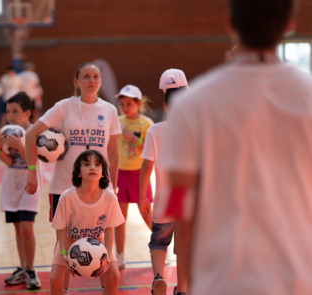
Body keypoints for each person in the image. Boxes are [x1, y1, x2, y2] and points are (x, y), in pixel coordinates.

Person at [163, 0, 312, 294]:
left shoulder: (191, 105)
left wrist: (190, 283)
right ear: (290, 25)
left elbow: (179, 201)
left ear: (229, 23)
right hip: (298, 280)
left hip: (221, 283)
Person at [25, 62, 121, 293]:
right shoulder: (64, 107)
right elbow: (31, 133)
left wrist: (113, 186)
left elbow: (114, 151)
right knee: (64, 247)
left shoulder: (109, 110)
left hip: (98, 191)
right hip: (63, 189)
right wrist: (32, 171)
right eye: (86, 76)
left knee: (100, 248)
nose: (91, 80)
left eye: (96, 76)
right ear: (76, 82)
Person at [138, 69, 189, 295]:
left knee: (159, 242)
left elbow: (146, 167)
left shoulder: (155, 131)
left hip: (164, 199)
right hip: (188, 199)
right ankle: (183, 288)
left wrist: (143, 198)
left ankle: (159, 276)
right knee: (185, 248)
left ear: (165, 105)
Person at [50, 150, 124, 295]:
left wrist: (107, 255)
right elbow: (61, 228)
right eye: (86, 164)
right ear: (78, 173)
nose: (92, 167)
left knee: (114, 275)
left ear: (102, 172)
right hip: (69, 241)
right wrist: (64, 252)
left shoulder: (109, 197)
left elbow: (109, 229)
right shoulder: (67, 197)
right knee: (54, 279)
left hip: (98, 242)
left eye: (97, 164)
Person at [0, 92, 42, 290]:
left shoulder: (34, 133)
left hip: (30, 186)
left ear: (27, 113)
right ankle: (22, 267)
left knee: (27, 228)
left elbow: (36, 160)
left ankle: (31, 269)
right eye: (8, 111)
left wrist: (22, 147)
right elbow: (10, 162)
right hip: (11, 186)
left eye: (15, 111)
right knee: (17, 228)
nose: (10, 115)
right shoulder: (8, 131)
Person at [114, 84, 153, 270]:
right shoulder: (118, 121)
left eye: (129, 103)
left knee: (147, 215)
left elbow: (150, 150)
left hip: (139, 175)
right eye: (122, 103)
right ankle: (119, 256)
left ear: (138, 103)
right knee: (119, 219)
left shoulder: (146, 124)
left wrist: (133, 138)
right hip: (121, 174)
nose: (125, 107)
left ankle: (163, 246)